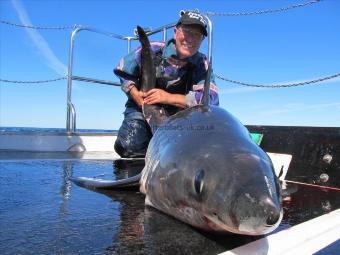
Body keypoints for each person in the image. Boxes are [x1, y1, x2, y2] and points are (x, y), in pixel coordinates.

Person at [113, 10, 219, 158]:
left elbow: (211, 99)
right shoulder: (153, 49)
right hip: (141, 109)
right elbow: (122, 70)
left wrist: (168, 97)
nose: (191, 39)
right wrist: (135, 93)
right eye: (187, 31)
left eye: (197, 35)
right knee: (130, 146)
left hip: (178, 117)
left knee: (189, 153)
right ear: (176, 32)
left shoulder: (202, 63)